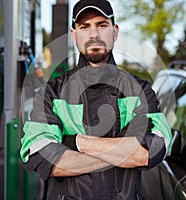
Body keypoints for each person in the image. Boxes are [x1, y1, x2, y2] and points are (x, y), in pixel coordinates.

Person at [20, 0, 172, 199]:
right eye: (85, 27)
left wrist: (76, 142)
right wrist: (122, 150)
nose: (94, 34)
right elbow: (44, 157)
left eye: (101, 25)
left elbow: (147, 152)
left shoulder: (139, 91)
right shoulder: (51, 93)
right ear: (74, 35)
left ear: (115, 31)